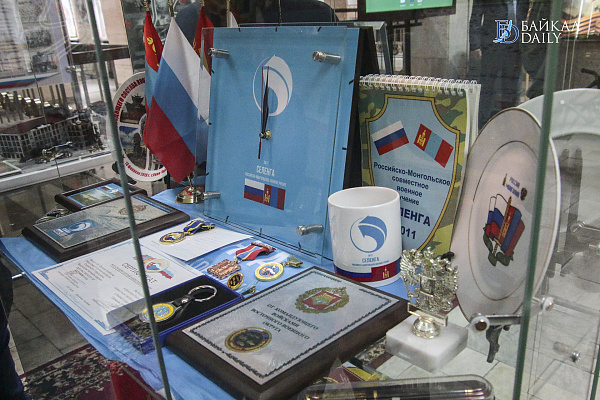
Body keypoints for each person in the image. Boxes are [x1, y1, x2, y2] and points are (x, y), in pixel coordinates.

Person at [469, 0, 529, 129]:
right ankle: (482, 124)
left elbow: (525, 16)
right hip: (491, 44)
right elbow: (476, 17)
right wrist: (475, 45)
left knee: (512, 87)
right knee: (487, 87)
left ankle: (508, 122)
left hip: (515, 45)